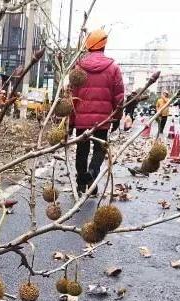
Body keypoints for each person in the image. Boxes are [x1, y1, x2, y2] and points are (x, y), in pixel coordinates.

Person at [69, 28, 125, 195]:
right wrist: (117, 117)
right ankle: (92, 175)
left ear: (88, 46)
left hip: (81, 119)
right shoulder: (113, 68)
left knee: (82, 150)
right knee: (100, 149)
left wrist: (71, 121)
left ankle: (80, 185)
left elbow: (72, 96)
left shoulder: (78, 67)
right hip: (102, 120)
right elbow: (119, 96)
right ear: (104, 45)